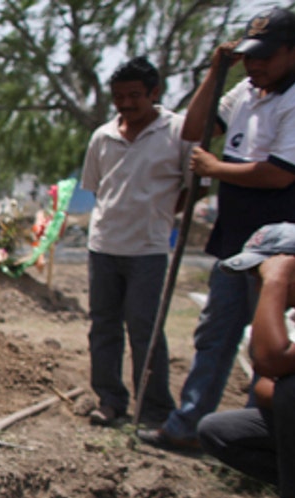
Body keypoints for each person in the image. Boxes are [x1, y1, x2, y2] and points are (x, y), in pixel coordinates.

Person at [139, 7, 295, 450]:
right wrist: (216, 73)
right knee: (215, 333)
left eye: (265, 56)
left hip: (285, 250)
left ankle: (260, 436)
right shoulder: (244, 90)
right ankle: (187, 427)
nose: (255, 65)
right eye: (249, 56)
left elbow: (280, 173)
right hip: (239, 241)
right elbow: (195, 128)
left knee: (271, 343)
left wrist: (215, 168)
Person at [198, 223, 295, 498]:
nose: (260, 286)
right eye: (259, 277)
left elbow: (273, 366)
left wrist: (275, 283)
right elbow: (264, 385)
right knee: (220, 431)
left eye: (264, 275)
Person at [79, 57, 188, 427]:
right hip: (104, 246)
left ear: (155, 93)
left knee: (145, 329)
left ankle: (154, 409)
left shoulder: (178, 132)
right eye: (119, 97)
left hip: (148, 249)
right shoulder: (103, 136)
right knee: (103, 327)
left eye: (134, 96)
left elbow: (193, 188)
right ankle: (110, 400)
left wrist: (159, 215)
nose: (125, 104)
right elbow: (96, 188)